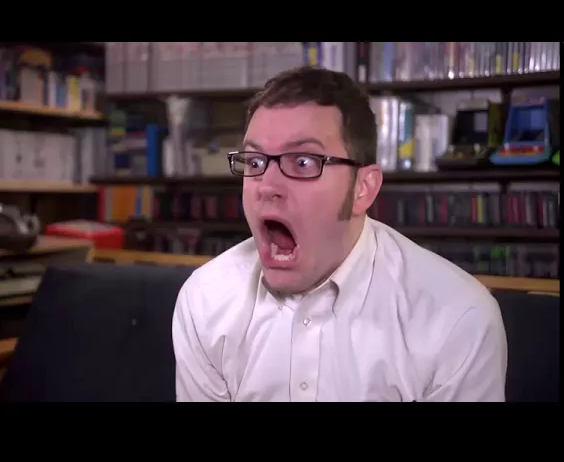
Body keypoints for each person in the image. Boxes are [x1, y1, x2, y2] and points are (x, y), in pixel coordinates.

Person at [172, 65, 508, 402]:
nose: (266, 186)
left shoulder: (459, 319)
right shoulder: (205, 301)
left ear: (363, 188)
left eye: (303, 162)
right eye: (256, 162)